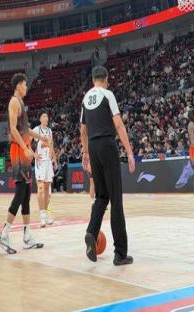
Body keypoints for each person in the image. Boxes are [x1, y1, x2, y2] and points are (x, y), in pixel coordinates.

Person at [80, 66, 135, 266]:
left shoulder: (85, 98)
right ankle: (120, 254)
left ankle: (91, 232)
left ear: (93, 80)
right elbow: (118, 124)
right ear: (105, 79)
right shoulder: (107, 94)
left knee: (101, 196)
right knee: (115, 200)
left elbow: (83, 130)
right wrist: (129, 151)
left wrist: (85, 153)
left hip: (93, 148)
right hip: (107, 145)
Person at [0, 73, 50, 254]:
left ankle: (27, 236)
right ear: (18, 85)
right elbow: (13, 129)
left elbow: (25, 129)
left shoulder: (20, 103)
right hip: (18, 150)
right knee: (20, 193)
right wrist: (25, 148)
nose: (26, 87)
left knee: (26, 194)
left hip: (24, 149)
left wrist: (41, 137)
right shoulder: (14, 102)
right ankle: (4, 233)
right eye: (25, 84)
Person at [33, 112, 56, 227]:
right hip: (40, 162)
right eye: (43, 116)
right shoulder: (37, 129)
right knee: (41, 189)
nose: (46, 118)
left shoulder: (50, 131)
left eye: (47, 116)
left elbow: (51, 145)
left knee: (47, 190)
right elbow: (27, 141)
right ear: (40, 119)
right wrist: (34, 154)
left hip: (48, 162)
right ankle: (42, 217)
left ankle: (46, 215)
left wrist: (54, 159)